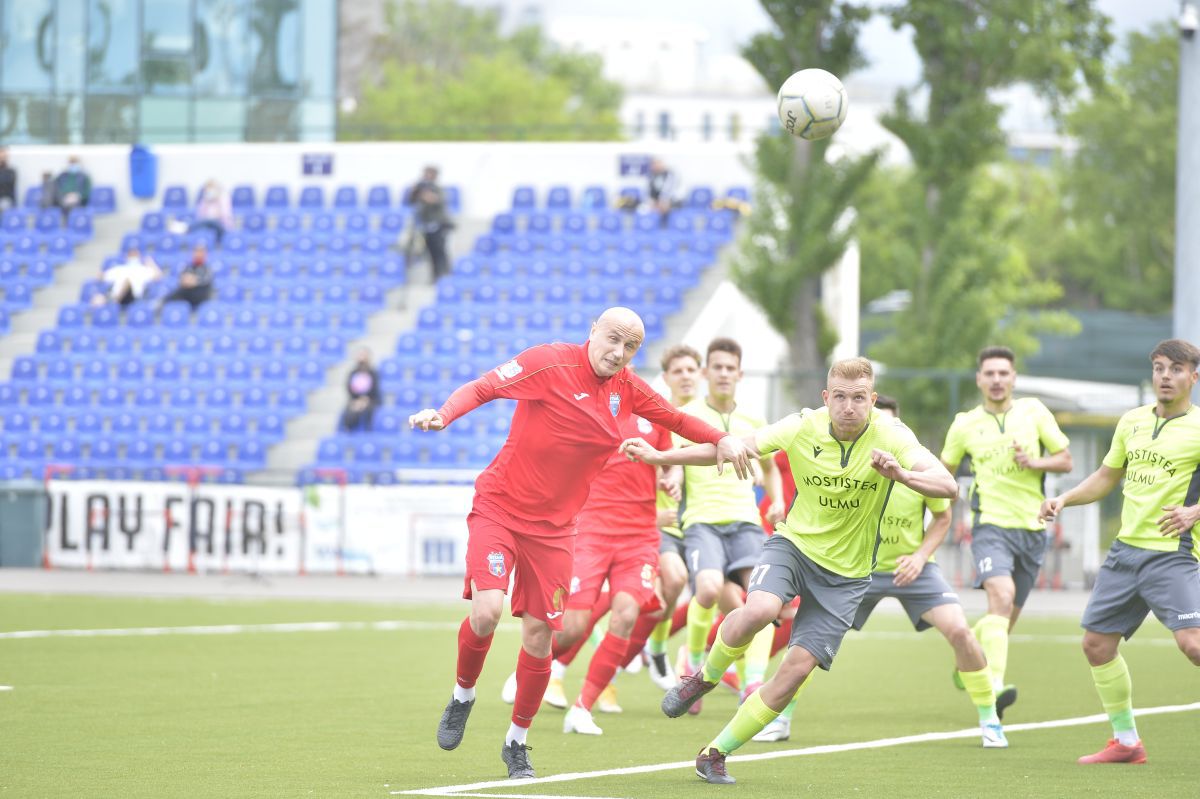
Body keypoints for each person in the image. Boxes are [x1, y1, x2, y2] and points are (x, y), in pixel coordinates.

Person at [409, 307, 753, 780]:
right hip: (500, 508)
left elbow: (675, 418)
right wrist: (444, 415)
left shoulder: (629, 389)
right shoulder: (549, 361)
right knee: (486, 612)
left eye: (630, 346)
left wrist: (724, 438)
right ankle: (463, 695)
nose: (618, 352)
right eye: (612, 338)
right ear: (593, 330)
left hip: (556, 530)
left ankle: (516, 743)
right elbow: (485, 385)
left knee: (541, 636)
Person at [621, 357, 961, 784]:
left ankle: (714, 753)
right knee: (760, 609)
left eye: (859, 398)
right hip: (794, 548)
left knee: (795, 671)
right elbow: (730, 446)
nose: (849, 407)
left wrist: (903, 474)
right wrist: (659, 455)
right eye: (840, 397)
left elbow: (949, 485)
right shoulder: (803, 425)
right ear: (826, 397)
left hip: (848, 576)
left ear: (872, 400)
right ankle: (703, 678)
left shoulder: (892, 435)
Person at [1039, 338, 1200, 765]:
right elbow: (1106, 476)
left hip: (1172, 555)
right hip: (1125, 554)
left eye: (1176, 369)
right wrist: (1064, 499)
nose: (1166, 377)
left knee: (1194, 646)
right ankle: (1126, 742)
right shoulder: (1131, 421)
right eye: (1160, 368)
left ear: (1193, 377)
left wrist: (1194, 512)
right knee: (1096, 645)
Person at [847, 395, 1006, 746]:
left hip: (915, 572)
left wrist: (919, 557)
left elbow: (944, 517)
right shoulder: (850, 466)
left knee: (961, 632)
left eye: (891, 426)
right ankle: (779, 719)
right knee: (811, 641)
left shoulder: (919, 471)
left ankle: (989, 719)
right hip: (858, 571)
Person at [941, 346, 1073, 718]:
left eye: (1003, 373)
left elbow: (1066, 460)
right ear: (979, 379)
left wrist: (1035, 462)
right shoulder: (964, 424)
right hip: (989, 527)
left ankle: (967, 656)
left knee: (1005, 618)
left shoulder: (1034, 412)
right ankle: (994, 690)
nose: (997, 380)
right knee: (1001, 595)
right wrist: (935, 517)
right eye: (990, 373)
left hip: (1033, 529)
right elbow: (943, 474)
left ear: (1013, 378)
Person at [675, 338, 784, 715]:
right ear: (706, 373)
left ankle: (752, 681)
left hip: (745, 524)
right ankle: (691, 665)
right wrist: (672, 478)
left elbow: (770, 470)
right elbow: (675, 461)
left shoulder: (754, 421)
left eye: (729, 368)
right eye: (716, 367)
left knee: (765, 602)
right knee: (706, 590)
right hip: (702, 523)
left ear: (739, 374)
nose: (723, 374)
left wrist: (779, 503)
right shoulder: (687, 415)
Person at [646, 344, 704, 690]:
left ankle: (731, 676)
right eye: (677, 371)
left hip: (701, 523)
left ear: (701, 375)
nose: (685, 376)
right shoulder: (657, 417)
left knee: (709, 594)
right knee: (673, 580)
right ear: (666, 377)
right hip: (659, 519)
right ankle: (653, 651)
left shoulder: (708, 418)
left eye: (690, 370)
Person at [407, 166, 452, 281]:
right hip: (425, 227)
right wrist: (415, 191)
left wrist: (425, 194)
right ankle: (434, 277)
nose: (426, 176)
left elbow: (435, 200)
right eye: (425, 173)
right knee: (430, 255)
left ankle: (443, 276)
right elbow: (410, 201)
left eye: (429, 174)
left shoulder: (437, 189)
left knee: (440, 254)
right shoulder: (421, 188)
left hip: (438, 227)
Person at [94, 247, 161, 308]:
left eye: (135, 254)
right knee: (98, 298)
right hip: (116, 294)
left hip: (134, 296)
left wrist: (150, 262)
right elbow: (100, 276)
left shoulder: (143, 270)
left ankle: (112, 302)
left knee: (127, 281)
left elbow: (158, 276)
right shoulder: (119, 269)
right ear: (127, 256)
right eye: (131, 254)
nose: (133, 256)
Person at [169, 180, 233, 244]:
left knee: (211, 220)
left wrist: (218, 202)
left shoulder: (223, 199)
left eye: (212, 189)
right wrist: (206, 202)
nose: (210, 192)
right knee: (206, 222)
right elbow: (200, 217)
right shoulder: (204, 201)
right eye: (208, 190)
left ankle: (186, 228)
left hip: (222, 227)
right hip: (208, 226)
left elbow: (225, 216)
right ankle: (187, 229)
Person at [159, 243, 213, 312]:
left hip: (201, 295)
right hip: (187, 293)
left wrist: (193, 280)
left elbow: (203, 281)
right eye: (196, 251)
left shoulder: (207, 268)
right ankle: (163, 305)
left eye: (201, 252)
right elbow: (183, 280)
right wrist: (190, 280)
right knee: (179, 291)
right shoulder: (189, 267)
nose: (198, 254)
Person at [341, 349, 381, 433]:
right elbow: (349, 388)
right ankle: (348, 431)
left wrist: (365, 399)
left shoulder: (373, 373)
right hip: (355, 400)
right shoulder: (353, 373)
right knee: (350, 410)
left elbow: (375, 388)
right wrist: (357, 400)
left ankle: (368, 432)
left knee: (369, 410)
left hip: (371, 400)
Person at [647, 158, 679, 227]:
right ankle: (654, 228)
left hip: (669, 201)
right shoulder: (651, 175)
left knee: (664, 205)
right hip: (656, 201)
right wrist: (653, 201)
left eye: (657, 164)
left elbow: (668, 190)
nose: (655, 166)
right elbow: (649, 190)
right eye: (654, 165)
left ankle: (666, 227)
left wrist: (662, 200)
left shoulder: (669, 174)